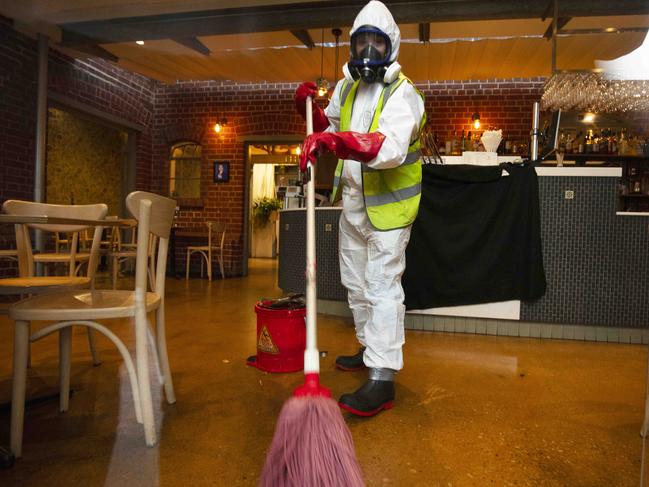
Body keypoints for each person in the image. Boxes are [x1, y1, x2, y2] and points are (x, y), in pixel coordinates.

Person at [295, 0, 425, 416]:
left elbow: (386, 148)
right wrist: (310, 113)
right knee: (355, 283)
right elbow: (330, 126)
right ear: (351, 47)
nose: (368, 53)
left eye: (377, 44)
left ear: (392, 47)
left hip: (389, 212)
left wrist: (333, 143)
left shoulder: (404, 95)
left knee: (382, 288)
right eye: (361, 43)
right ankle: (369, 349)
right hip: (352, 203)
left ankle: (383, 377)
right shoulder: (348, 86)